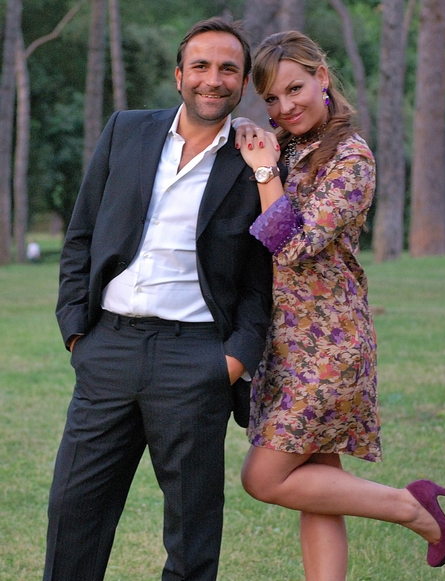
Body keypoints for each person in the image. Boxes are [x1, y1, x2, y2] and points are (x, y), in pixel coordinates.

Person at [233, 30, 445, 580]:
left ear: (322, 76)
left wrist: (265, 170)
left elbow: (293, 247)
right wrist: (248, 131)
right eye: (271, 98)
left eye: (295, 88)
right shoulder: (290, 144)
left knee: (263, 478)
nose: (285, 106)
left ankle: (413, 507)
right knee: (319, 482)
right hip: (284, 344)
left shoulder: (350, 157)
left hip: (328, 345)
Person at [43, 18, 273, 581]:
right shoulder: (126, 130)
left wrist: (232, 361)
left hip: (195, 358)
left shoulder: (253, 161)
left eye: (228, 69)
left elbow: (262, 280)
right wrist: (76, 331)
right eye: (201, 66)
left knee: (193, 531)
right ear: (178, 75)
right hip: (107, 348)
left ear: (243, 83)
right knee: (74, 512)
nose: (213, 79)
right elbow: (81, 234)